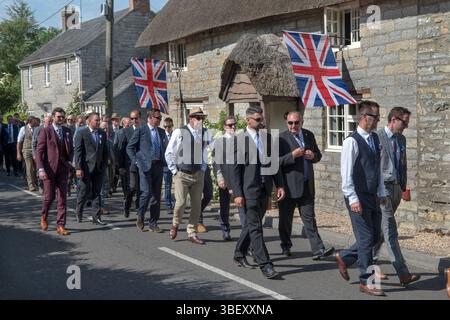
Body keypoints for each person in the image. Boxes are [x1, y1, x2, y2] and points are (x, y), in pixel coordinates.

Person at [337, 100, 387, 296]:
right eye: (376, 117)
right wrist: (352, 199)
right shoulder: (351, 141)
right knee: (366, 239)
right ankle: (366, 281)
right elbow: (346, 174)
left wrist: (382, 192)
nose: (377, 121)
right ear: (365, 117)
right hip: (357, 196)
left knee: (375, 237)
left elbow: (378, 170)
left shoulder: (375, 139)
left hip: (373, 196)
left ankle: (345, 256)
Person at [230, 105, 285, 279]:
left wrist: (280, 185)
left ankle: (239, 252)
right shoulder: (239, 141)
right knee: (256, 228)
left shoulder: (267, 139)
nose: (262, 122)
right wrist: (238, 194)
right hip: (248, 191)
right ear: (248, 120)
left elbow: (273, 164)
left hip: (265, 188)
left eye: (262, 119)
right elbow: (234, 170)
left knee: (251, 224)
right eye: (258, 119)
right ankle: (266, 265)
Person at [372, 107, 420, 286]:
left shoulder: (402, 139)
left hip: (396, 188)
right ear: (393, 119)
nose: (406, 126)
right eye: (404, 122)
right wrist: (377, 191)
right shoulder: (376, 137)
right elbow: (373, 167)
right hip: (382, 189)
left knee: (381, 232)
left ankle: (348, 258)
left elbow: (403, 164)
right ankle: (403, 273)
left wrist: (403, 187)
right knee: (391, 230)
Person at [278, 111, 335, 259]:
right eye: (290, 123)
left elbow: (318, 155)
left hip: (306, 185)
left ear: (302, 122)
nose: (293, 126)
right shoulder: (281, 139)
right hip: (288, 187)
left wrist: (313, 156)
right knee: (286, 220)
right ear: (287, 123)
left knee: (309, 219)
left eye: (296, 123)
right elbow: (275, 162)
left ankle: (318, 249)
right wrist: (292, 156)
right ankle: (285, 245)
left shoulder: (308, 135)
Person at [165, 107, 211, 244]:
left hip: (198, 175)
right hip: (182, 174)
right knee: (180, 203)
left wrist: (202, 168)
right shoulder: (180, 132)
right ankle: (175, 223)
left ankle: (192, 232)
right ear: (191, 118)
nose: (200, 120)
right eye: (198, 118)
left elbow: (207, 150)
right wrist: (174, 171)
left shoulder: (205, 133)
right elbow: (169, 152)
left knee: (196, 205)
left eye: (202, 118)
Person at [127, 109, 168, 232]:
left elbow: (164, 148)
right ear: (150, 118)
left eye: (160, 118)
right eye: (157, 118)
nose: (159, 120)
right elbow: (130, 147)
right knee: (146, 193)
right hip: (144, 166)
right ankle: (140, 215)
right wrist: (136, 161)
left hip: (158, 165)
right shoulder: (141, 130)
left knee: (156, 195)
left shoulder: (161, 132)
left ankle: (153, 223)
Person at [36, 108, 73, 236]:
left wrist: (70, 162)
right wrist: (40, 169)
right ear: (53, 117)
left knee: (62, 198)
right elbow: (39, 151)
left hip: (63, 169)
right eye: (58, 117)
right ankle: (44, 217)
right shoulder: (45, 131)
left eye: (63, 117)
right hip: (49, 169)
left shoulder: (67, 131)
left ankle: (61, 225)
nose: (61, 119)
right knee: (49, 197)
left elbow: (70, 149)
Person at [74, 112, 109, 225]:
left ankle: (96, 217)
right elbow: (78, 151)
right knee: (84, 191)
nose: (98, 122)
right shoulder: (81, 132)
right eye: (96, 120)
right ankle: (79, 212)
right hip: (85, 168)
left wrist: (104, 164)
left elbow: (105, 150)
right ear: (89, 121)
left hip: (98, 168)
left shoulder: (102, 133)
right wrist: (78, 168)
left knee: (97, 193)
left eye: (99, 120)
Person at [211, 116, 242, 241]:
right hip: (224, 177)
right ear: (224, 127)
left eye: (234, 124)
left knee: (241, 204)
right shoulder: (219, 142)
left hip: (237, 178)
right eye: (230, 125)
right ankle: (225, 229)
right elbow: (216, 162)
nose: (233, 127)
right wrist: (220, 178)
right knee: (225, 205)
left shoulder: (240, 140)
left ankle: (246, 233)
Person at [116, 110, 141, 218]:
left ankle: (139, 209)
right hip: (130, 165)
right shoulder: (125, 131)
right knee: (132, 187)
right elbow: (121, 150)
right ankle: (127, 205)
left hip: (143, 165)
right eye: (132, 118)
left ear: (140, 118)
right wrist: (120, 166)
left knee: (142, 188)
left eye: (136, 118)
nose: (134, 120)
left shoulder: (145, 130)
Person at [17, 116, 39, 191]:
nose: (35, 122)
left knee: (37, 168)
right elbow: (19, 142)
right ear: (30, 121)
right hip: (27, 150)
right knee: (29, 168)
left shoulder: (37, 128)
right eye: (34, 121)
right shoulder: (23, 129)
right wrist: (18, 153)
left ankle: (37, 183)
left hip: (36, 150)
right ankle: (31, 185)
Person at [162, 117, 175, 215]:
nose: (167, 129)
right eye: (165, 127)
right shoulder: (162, 136)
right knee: (167, 186)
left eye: (169, 127)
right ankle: (168, 205)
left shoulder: (175, 135)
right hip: (165, 165)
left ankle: (177, 204)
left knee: (177, 186)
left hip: (175, 164)